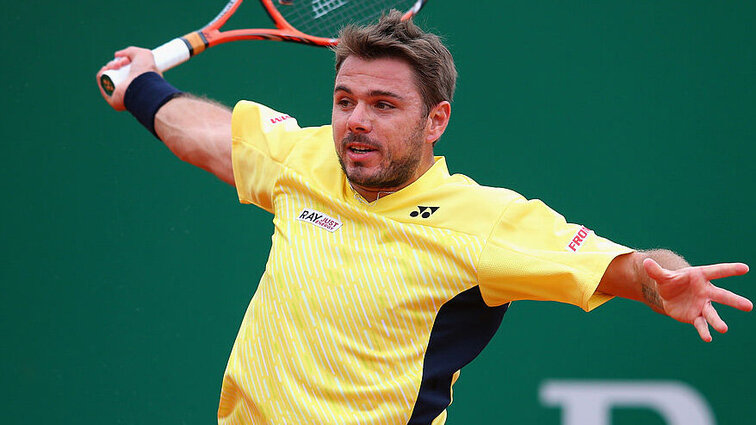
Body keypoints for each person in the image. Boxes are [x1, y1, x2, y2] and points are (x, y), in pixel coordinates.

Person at [97, 11, 751, 425]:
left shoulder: (486, 222)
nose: (356, 119)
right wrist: (145, 86)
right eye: (346, 99)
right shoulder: (307, 158)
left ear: (436, 120)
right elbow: (212, 137)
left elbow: (626, 266)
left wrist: (661, 280)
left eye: (384, 104)